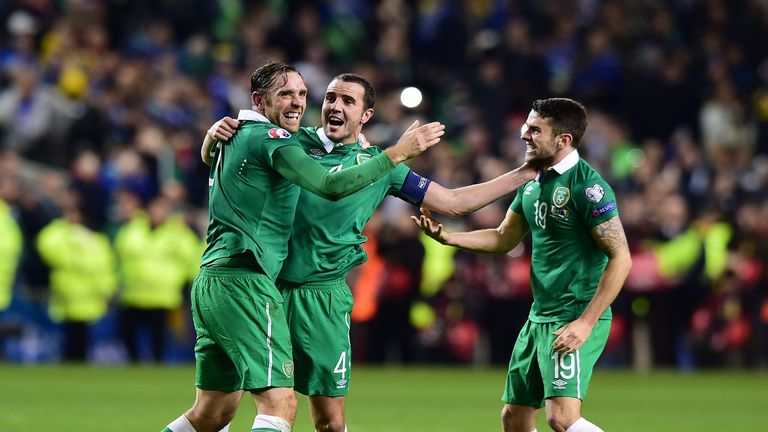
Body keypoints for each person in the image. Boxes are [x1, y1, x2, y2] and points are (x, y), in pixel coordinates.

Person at [203, 73, 536, 432]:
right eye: (331, 97)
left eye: (348, 102)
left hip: (323, 298)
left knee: (330, 420)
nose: (335, 106)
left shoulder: (382, 165)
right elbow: (235, 167)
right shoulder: (291, 141)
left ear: (366, 115)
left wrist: (524, 172)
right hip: (268, 290)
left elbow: (454, 203)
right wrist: (211, 138)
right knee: (232, 407)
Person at [163, 62, 443, 432]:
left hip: (215, 280)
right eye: (286, 94)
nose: (297, 102)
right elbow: (328, 185)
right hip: (248, 282)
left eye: (301, 94)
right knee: (280, 405)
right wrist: (394, 154)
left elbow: (211, 157)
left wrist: (211, 136)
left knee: (211, 414)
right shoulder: (274, 140)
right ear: (259, 100)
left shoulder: (240, 134)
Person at [413, 98, 632, 432]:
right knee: (514, 418)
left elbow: (622, 258)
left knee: (561, 417)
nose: (523, 134)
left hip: (573, 316)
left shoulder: (588, 187)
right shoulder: (534, 181)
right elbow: (504, 237)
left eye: (535, 129)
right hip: (538, 318)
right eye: (526, 126)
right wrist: (449, 238)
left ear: (563, 140)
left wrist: (586, 323)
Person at [114, 195, 201, 363]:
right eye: (155, 208)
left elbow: (192, 260)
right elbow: (119, 255)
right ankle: (134, 362)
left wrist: (187, 284)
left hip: (163, 294)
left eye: (161, 209)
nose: (157, 213)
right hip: (134, 292)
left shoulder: (179, 233)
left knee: (159, 335)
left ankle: (157, 363)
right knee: (128, 332)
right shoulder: (132, 229)